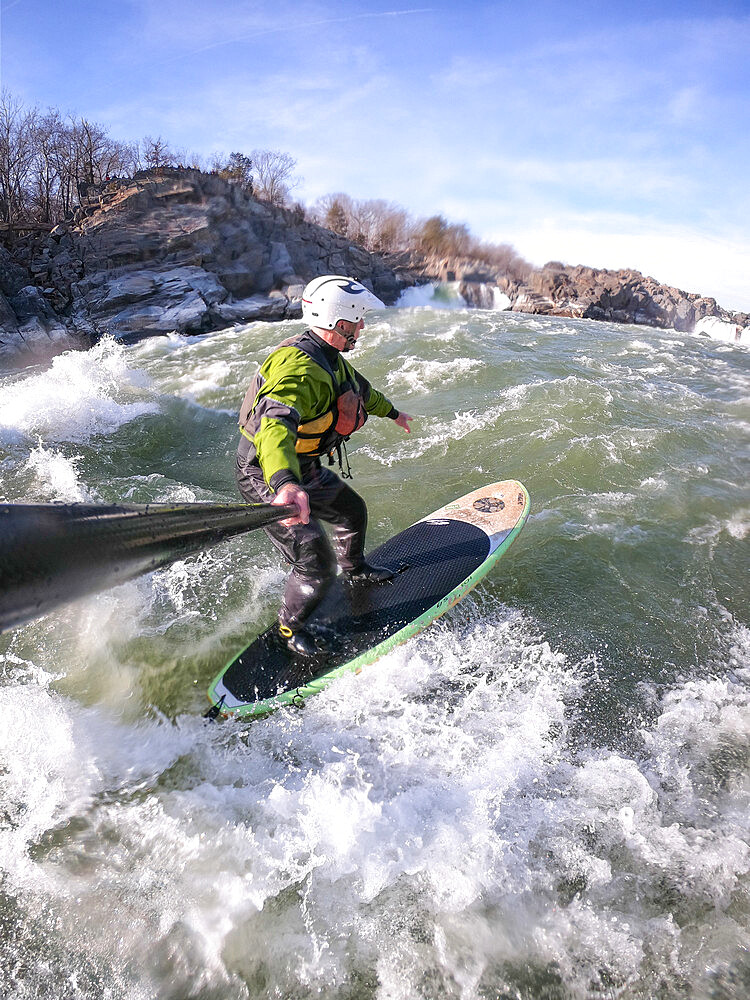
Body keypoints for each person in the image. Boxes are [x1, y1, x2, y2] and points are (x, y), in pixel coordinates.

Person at [235, 275, 413, 656]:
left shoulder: (330, 359)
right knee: (314, 558)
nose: (362, 327)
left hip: (304, 466)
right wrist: (284, 483)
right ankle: (288, 628)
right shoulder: (299, 371)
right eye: (358, 320)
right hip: (266, 471)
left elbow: (360, 391)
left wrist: (393, 413)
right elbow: (273, 425)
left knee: (352, 511)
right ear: (338, 321)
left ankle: (356, 570)